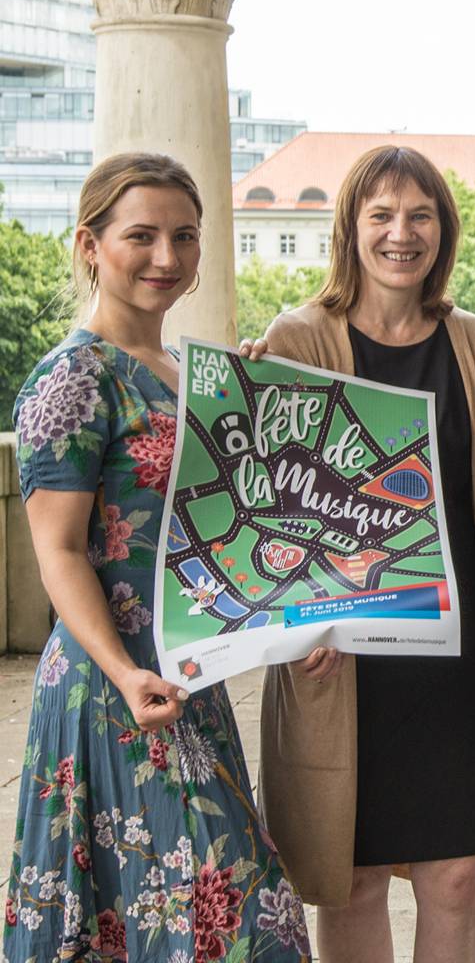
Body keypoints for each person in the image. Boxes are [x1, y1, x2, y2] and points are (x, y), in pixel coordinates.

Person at [246, 146, 475, 963]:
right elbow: (266, 511)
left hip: (455, 662)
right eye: (380, 214)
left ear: (443, 231)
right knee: (353, 881)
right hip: (341, 661)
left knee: (457, 878)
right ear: (349, 230)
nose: (400, 233)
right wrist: (288, 630)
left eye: (420, 215)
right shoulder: (296, 339)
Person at [5, 152, 309, 961]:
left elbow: (232, 532)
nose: (166, 256)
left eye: (185, 236)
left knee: (221, 923)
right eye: (141, 235)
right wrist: (123, 670)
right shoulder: (72, 379)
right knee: (233, 924)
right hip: (114, 686)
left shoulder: (190, 374)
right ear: (90, 245)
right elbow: (57, 552)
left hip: (188, 678)